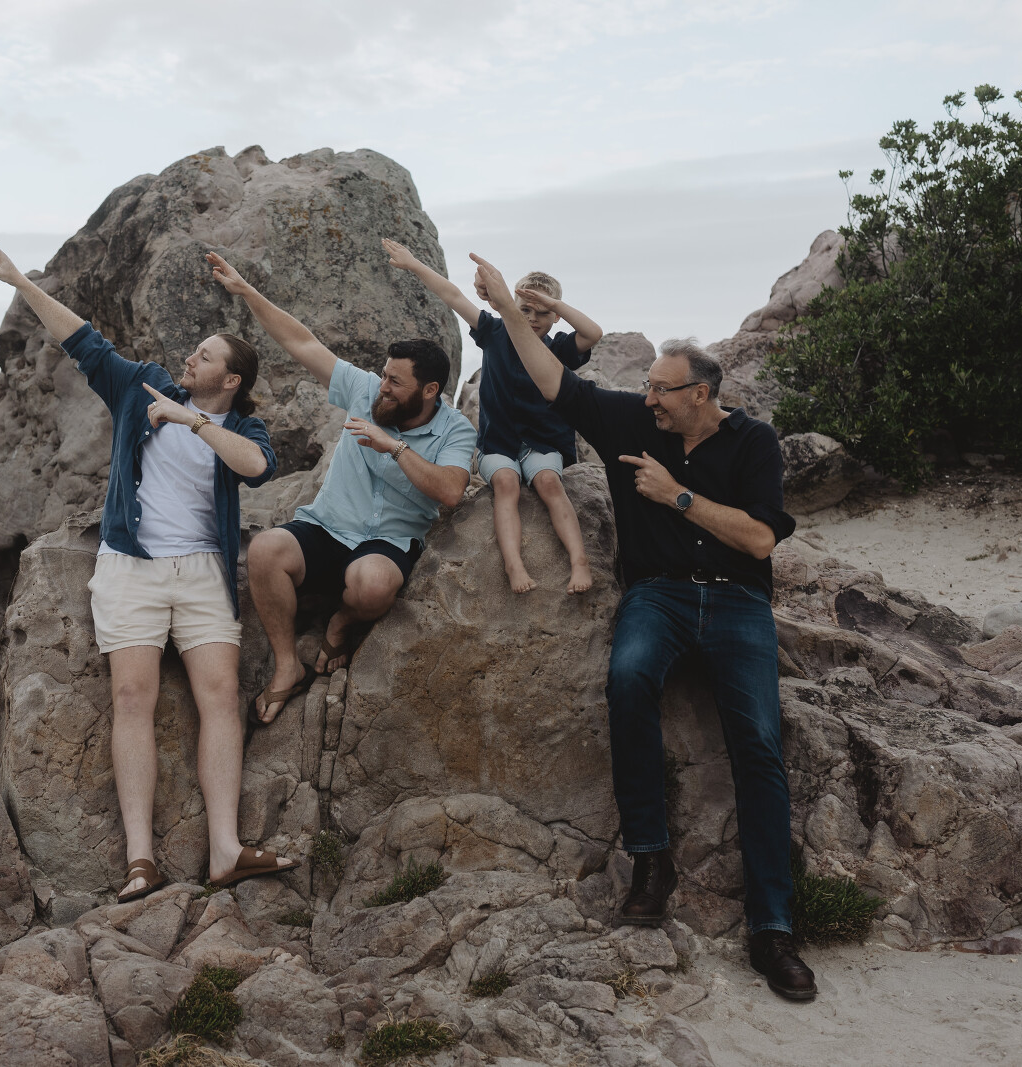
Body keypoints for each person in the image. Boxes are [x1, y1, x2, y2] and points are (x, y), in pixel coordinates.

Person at [470, 253, 816, 1001]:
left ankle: (772, 927)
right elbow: (554, 379)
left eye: (662, 389)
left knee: (759, 744)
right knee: (627, 681)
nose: (648, 397)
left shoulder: (753, 442)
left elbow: (761, 540)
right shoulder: (631, 419)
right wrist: (503, 305)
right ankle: (651, 862)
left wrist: (676, 496)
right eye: (649, 386)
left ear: (701, 395)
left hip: (737, 601)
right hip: (656, 595)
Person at [0, 234, 298, 901]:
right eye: (195, 350)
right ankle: (140, 859)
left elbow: (256, 468)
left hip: (204, 574)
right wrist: (20, 283)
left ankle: (225, 850)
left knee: (220, 698)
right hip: (132, 567)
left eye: (205, 355)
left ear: (231, 381)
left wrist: (190, 420)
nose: (191, 357)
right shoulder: (140, 384)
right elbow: (82, 340)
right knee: (132, 698)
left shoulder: (242, 429)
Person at [206, 251, 476, 724]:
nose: (382, 387)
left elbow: (452, 491)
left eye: (395, 382)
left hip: (387, 541)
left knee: (373, 586)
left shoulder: (455, 430)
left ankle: (341, 621)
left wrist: (393, 447)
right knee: (266, 550)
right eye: (384, 375)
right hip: (327, 528)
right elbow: (301, 341)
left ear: (429, 390)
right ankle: (287, 665)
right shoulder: (363, 389)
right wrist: (246, 291)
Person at [383, 239, 600, 595]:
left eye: (542, 312)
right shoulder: (495, 332)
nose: (532, 319)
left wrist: (556, 303)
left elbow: (593, 333)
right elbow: (453, 296)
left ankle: (579, 560)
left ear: (555, 316)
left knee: (549, 482)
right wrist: (414, 263)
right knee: (506, 484)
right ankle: (514, 564)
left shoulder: (559, 347)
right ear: (511, 305)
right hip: (498, 442)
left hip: (544, 441)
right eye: (524, 309)